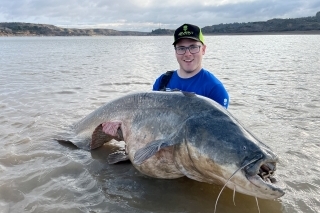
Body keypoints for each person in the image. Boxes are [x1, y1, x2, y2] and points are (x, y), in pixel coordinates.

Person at [152, 23, 229, 109]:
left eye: (193, 47)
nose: (187, 54)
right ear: (175, 51)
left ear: (203, 49)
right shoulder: (162, 81)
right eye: (181, 48)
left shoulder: (215, 89)